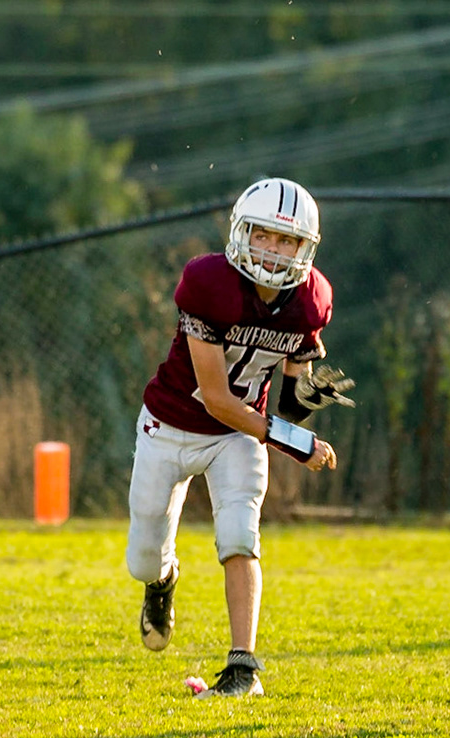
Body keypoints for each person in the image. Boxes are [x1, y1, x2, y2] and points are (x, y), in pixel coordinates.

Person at [125, 178, 352, 698]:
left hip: (238, 438)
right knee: (142, 557)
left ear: (305, 249)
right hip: (173, 423)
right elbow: (216, 397)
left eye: (288, 241)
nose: (274, 251)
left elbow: (291, 390)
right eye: (265, 236)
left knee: (239, 538)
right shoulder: (209, 284)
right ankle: (161, 583)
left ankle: (243, 666)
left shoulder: (311, 300)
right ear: (242, 232)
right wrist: (296, 441)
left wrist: (306, 396)